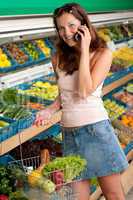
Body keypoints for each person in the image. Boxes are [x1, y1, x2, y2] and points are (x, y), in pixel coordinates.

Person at [35, 3, 128, 200]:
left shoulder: (103, 54)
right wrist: (49, 110)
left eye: (71, 25)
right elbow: (64, 96)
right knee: (78, 198)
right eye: (60, 28)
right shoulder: (58, 57)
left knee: (114, 195)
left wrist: (84, 50)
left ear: (83, 24)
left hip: (96, 131)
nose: (66, 33)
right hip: (69, 134)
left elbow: (85, 90)